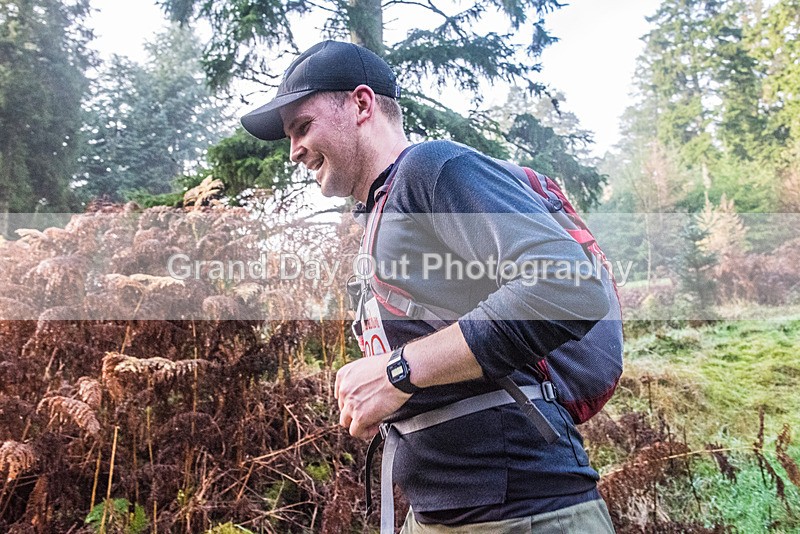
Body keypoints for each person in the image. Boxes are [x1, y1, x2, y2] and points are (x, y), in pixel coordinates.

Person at [241, 40, 617, 533]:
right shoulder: (380, 210)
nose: (294, 151)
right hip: (437, 515)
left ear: (360, 104)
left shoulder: (433, 169)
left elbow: (568, 286)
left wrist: (397, 373)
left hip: (525, 513)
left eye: (302, 127)